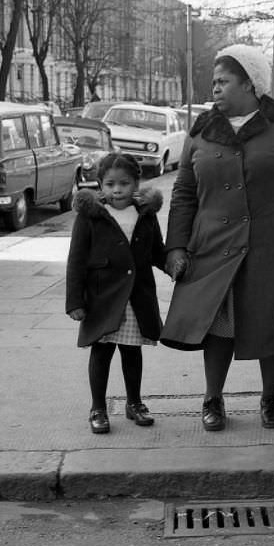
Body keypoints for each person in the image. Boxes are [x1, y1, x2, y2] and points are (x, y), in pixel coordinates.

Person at [162, 43, 274, 432]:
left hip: (273, 250)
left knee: (272, 325)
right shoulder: (202, 130)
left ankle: (271, 397)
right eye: (213, 82)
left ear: (250, 84)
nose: (215, 88)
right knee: (216, 328)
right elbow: (184, 192)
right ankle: (212, 398)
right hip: (213, 250)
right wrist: (176, 246)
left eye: (223, 81)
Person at [66, 153, 167, 434]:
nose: (117, 190)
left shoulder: (145, 213)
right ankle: (97, 407)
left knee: (132, 351)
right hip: (102, 297)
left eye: (124, 183)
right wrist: (75, 301)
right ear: (100, 185)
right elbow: (76, 259)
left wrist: (176, 266)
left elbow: (156, 251)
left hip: (136, 296)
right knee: (101, 351)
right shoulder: (91, 216)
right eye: (110, 184)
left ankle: (134, 403)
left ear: (137, 183)